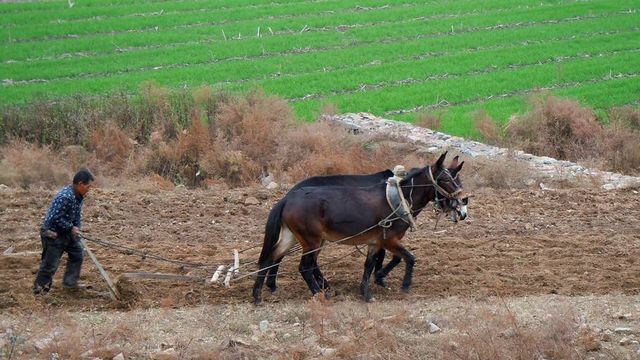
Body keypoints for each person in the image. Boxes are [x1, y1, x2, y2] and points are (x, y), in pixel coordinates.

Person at [33, 169, 94, 295]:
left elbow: (76, 215)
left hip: (66, 232)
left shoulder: (78, 196)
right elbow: (55, 218)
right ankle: (39, 291)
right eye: (88, 186)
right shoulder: (65, 196)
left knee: (77, 253)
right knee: (50, 264)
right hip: (53, 233)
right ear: (80, 184)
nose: (89, 189)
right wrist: (71, 228)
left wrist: (76, 228)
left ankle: (70, 283)